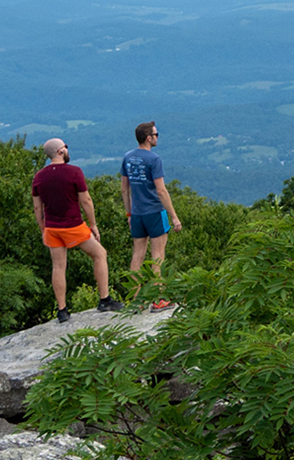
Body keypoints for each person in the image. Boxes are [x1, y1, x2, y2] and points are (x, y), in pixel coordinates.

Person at [31, 138, 124, 323]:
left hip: (52, 228)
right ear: (60, 151)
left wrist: (43, 229)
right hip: (73, 226)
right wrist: (93, 224)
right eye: (65, 147)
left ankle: (62, 310)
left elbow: (37, 208)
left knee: (58, 267)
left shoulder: (39, 177)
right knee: (99, 254)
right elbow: (86, 200)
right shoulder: (74, 172)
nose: (67, 150)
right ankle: (105, 299)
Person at [120, 121, 182, 311]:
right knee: (158, 256)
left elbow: (124, 188)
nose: (157, 137)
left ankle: (135, 300)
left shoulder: (127, 157)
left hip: (137, 213)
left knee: (137, 254)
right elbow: (161, 191)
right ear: (149, 138)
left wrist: (129, 213)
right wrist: (174, 216)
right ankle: (159, 299)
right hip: (155, 211)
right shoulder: (154, 159)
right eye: (156, 135)